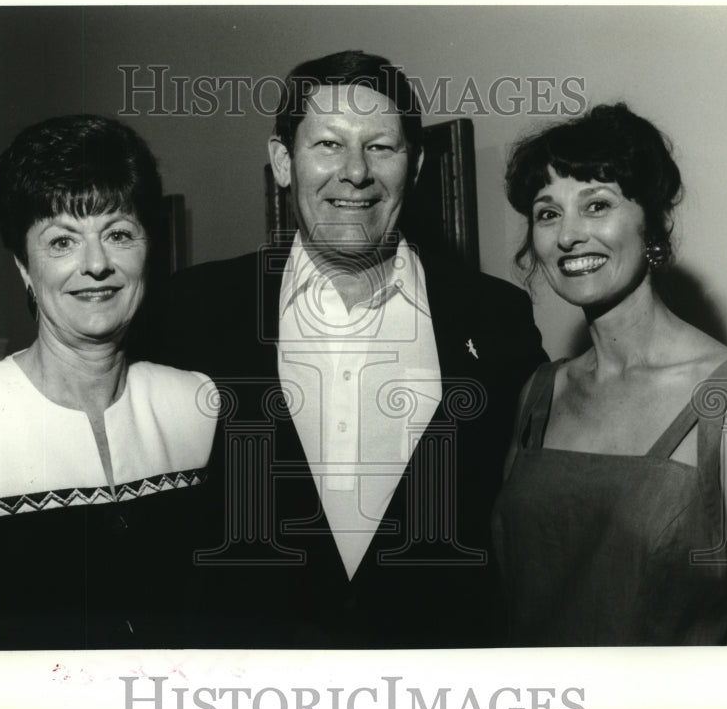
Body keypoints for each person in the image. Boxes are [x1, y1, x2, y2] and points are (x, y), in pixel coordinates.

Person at [147, 51, 547, 647]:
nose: (355, 172)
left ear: (414, 167)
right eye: (328, 144)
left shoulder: (497, 317)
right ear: (283, 162)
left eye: (381, 147)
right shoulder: (192, 310)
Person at [0, 114, 217, 650]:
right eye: (62, 241)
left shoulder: (198, 404)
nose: (96, 263)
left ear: (148, 249)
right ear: (24, 268)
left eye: (119, 234)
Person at [491, 103, 727, 646]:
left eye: (596, 205)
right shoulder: (541, 392)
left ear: (651, 222)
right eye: (547, 213)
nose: (568, 235)